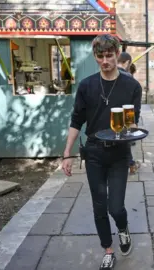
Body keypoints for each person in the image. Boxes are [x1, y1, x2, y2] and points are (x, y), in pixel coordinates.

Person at [61, 34, 142, 270]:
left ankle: (123, 228)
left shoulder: (132, 86)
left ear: (117, 54)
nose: (105, 61)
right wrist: (67, 153)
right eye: (100, 56)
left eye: (109, 55)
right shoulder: (87, 86)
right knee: (99, 206)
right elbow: (77, 120)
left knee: (115, 207)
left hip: (119, 153)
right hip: (94, 153)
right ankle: (107, 249)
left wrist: (133, 131)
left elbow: (133, 122)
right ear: (95, 56)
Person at [117, 53, 139, 175]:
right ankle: (130, 164)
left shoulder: (110, 75)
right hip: (127, 114)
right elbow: (134, 104)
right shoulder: (129, 78)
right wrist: (134, 122)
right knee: (125, 141)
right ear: (127, 62)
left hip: (113, 114)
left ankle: (130, 163)